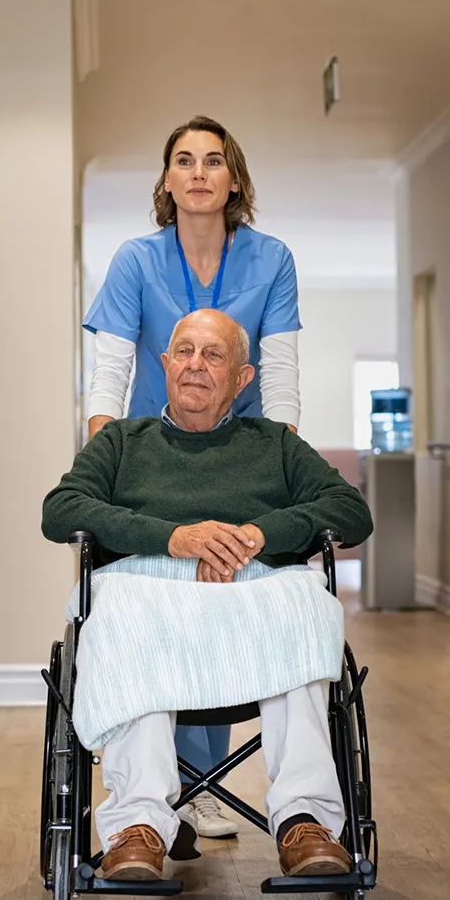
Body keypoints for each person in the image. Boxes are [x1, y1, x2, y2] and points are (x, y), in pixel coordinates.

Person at [42, 310, 373, 881]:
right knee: (117, 611)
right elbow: (61, 510)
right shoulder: (122, 441)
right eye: (184, 352)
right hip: (149, 600)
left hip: (256, 603)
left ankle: (304, 820)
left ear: (243, 378)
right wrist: (174, 539)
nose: (195, 364)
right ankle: (137, 827)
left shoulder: (275, 445)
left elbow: (350, 512)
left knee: (305, 599)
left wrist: (258, 535)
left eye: (213, 355)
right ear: (165, 364)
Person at [83, 115, 302, 838]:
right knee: (152, 589)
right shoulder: (135, 261)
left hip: (240, 443)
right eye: (185, 160)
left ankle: (197, 785)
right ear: (168, 180)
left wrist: (283, 460)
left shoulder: (270, 260)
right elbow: (112, 367)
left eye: (214, 160)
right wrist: (105, 459)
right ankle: (158, 790)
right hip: (157, 444)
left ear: (232, 179)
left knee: (228, 590)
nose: (200, 172)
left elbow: (282, 368)